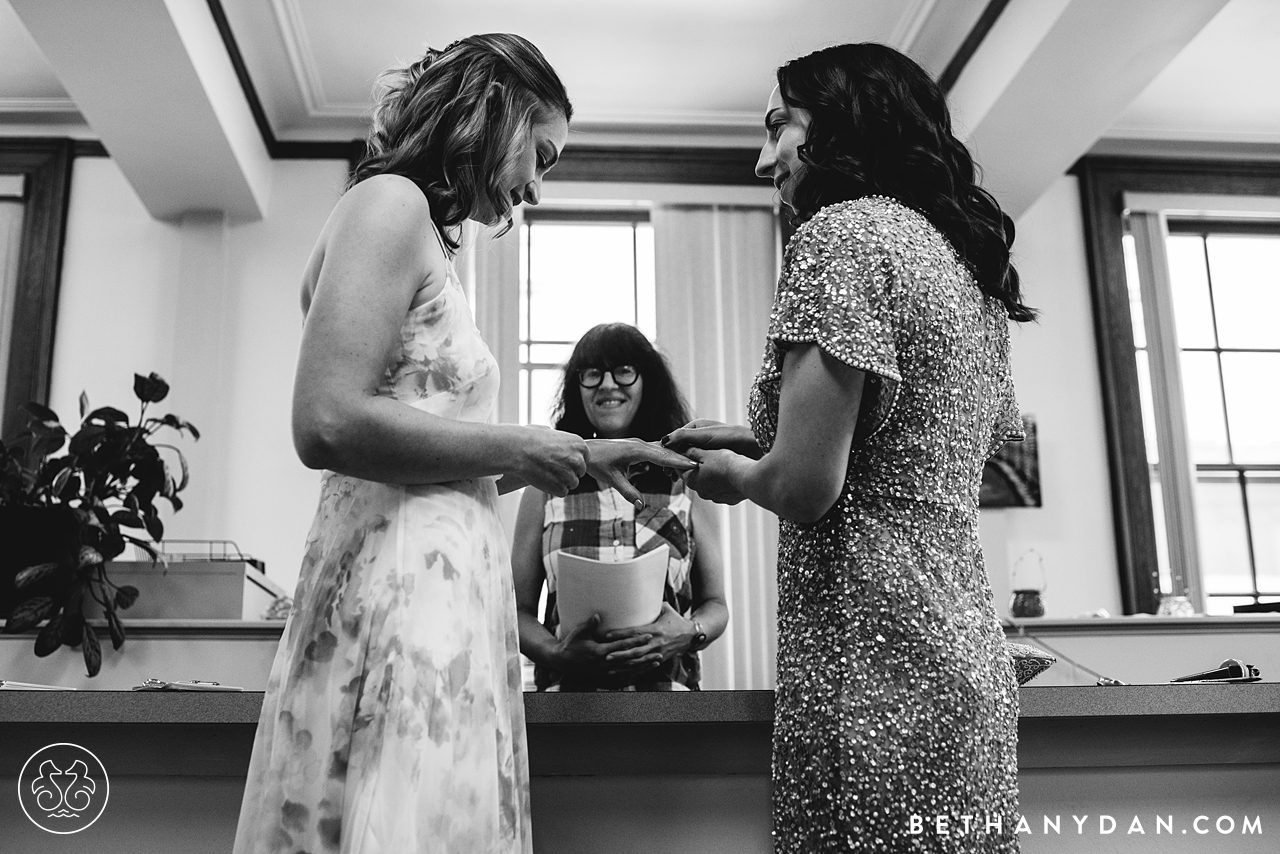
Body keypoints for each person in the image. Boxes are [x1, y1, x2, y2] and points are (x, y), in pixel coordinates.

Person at [232, 35, 692, 854]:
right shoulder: (390, 205)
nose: (538, 189)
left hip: (438, 596)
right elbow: (326, 420)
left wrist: (582, 457)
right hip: (402, 593)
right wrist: (521, 447)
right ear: (497, 115)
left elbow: (429, 442)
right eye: (540, 155)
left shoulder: (429, 235)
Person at [664, 43, 1035, 853]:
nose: (765, 160)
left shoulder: (842, 236)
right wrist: (758, 434)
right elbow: (897, 445)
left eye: (778, 128)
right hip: (965, 658)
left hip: (874, 666)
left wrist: (735, 475)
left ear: (840, 125)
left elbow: (805, 486)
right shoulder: (964, 269)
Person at [511, 323, 729, 691]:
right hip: (565, 711)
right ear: (576, 387)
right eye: (593, 374)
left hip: (671, 710)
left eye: (624, 371)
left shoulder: (687, 483)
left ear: (648, 381)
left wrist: (689, 632)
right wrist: (554, 651)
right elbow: (515, 612)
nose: (608, 384)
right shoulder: (544, 487)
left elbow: (716, 605)